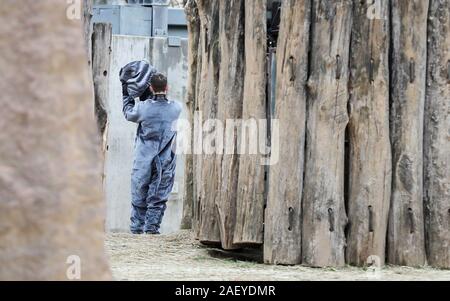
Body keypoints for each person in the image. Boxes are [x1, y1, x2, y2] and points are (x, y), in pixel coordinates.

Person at [122, 73, 182, 235]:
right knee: (158, 198)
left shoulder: (143, 108)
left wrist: (126, 93)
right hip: (166, 161)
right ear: (167, 87)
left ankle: (136, 231)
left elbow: (128, 113)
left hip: (143, 160)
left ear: (150, 87)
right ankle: (152, 230)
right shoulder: (177, 108)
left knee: (139, 195)